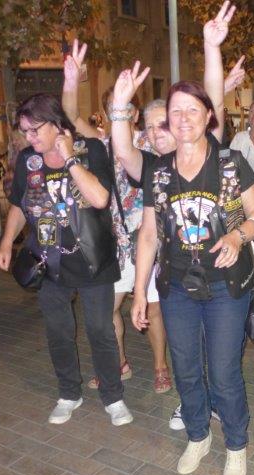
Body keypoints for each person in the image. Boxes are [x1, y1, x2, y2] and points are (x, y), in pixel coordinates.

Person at [124, 69, 254, 475]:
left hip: (225, 285)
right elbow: (148, 234)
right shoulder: (158, 172)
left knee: (223, 372)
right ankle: (198, 435)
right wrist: (139, 291)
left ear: (208, 116)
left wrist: (238, 236)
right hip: (176, 288)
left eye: (192, 110)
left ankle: (236, 444)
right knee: (186, 368)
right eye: (176, 111)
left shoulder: (229, 164)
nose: (183, 118)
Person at [0, 94, 133, 428]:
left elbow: (100, 198)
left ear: (56, 123)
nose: (29, 137)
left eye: (34, 129)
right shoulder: (28, 160)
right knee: (58, 331)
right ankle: (69, 393)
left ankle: (113, 396)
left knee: (100, 330)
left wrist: (70, 158)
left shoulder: (91, 149)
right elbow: (19, 205)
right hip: (49, 261)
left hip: (92, 258)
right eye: (24, 131)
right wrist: (6, 241)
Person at [61, 40, 170, 393]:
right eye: (110, 107)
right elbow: (70, 115)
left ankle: (160, 367)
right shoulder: (101, 143)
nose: (115, 111)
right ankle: (119, 362)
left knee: (153, 308)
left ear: (134, 113)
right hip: (118, 242)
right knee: (109, 307)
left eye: (122, 106)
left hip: (151, 239)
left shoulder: (154, 140)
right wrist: (72, 79)